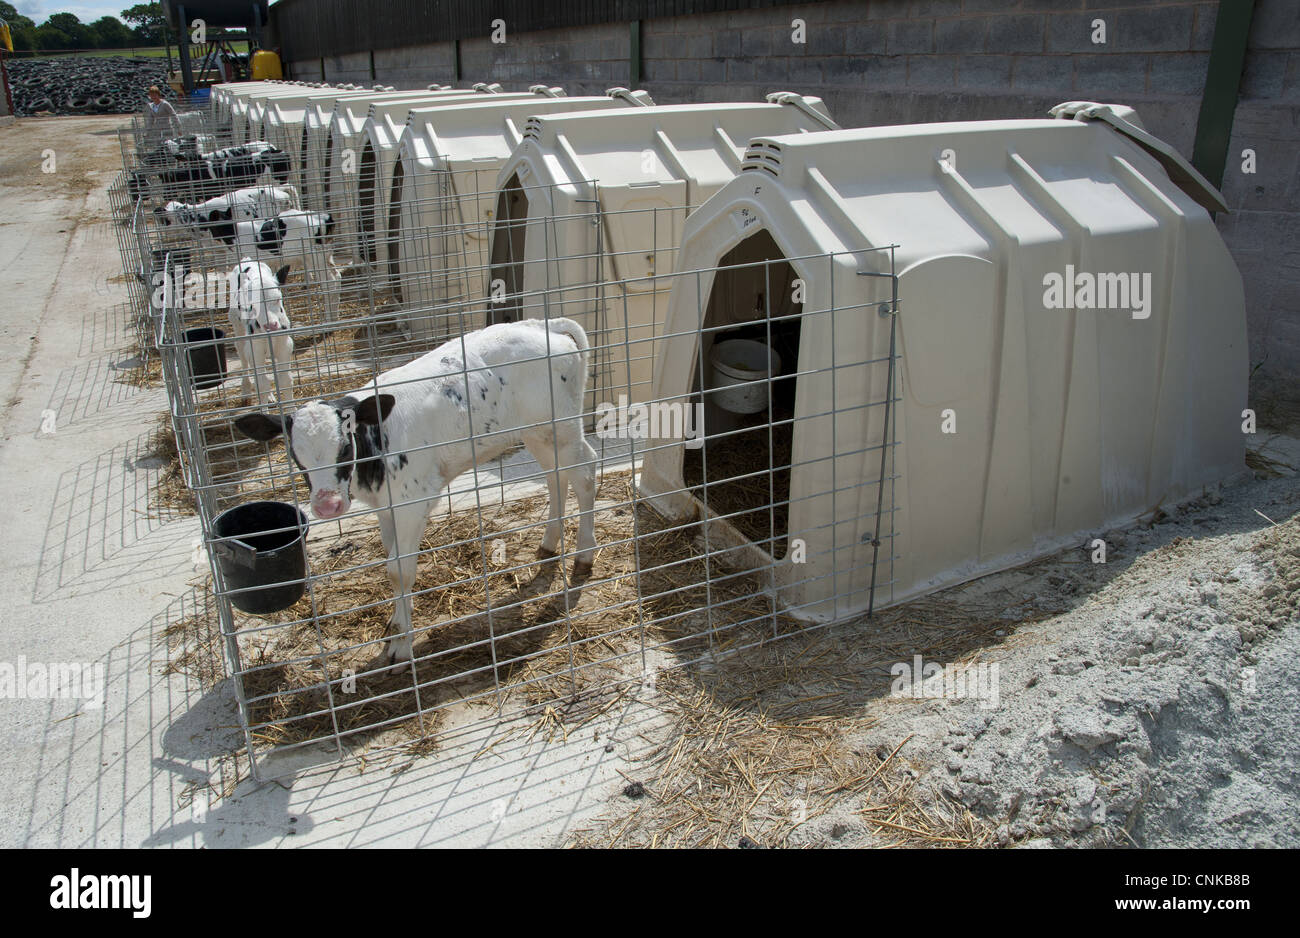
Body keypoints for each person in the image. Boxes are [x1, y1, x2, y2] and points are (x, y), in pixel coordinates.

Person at [141, 85, 180, 165]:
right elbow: (150, 120)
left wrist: (178, 128)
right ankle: (163, 164)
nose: (153, 97)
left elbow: (173, 115)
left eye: (155, 95)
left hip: (167, 128)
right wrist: (147, 132)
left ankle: (173, 163)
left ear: (158, 95)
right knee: (159, 148)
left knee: (169, 146)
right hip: (158, 130)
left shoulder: (165, 104)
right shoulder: (151, 106)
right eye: (151, 95)